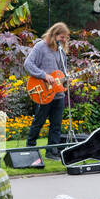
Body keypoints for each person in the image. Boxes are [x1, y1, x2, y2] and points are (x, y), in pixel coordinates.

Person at [24, 22, 72, 160]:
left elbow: (61, 72)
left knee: (56, 125)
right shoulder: (40, 46)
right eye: (62, 37)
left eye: (65, 38)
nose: (64, 40)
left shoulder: (61, 51)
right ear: (54, 34)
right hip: (43, 92)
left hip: (58, 94)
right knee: (38, 122)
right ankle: (30, 148)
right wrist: (44, 75)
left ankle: (52, 152)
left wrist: (66, 80)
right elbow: (28, 64)